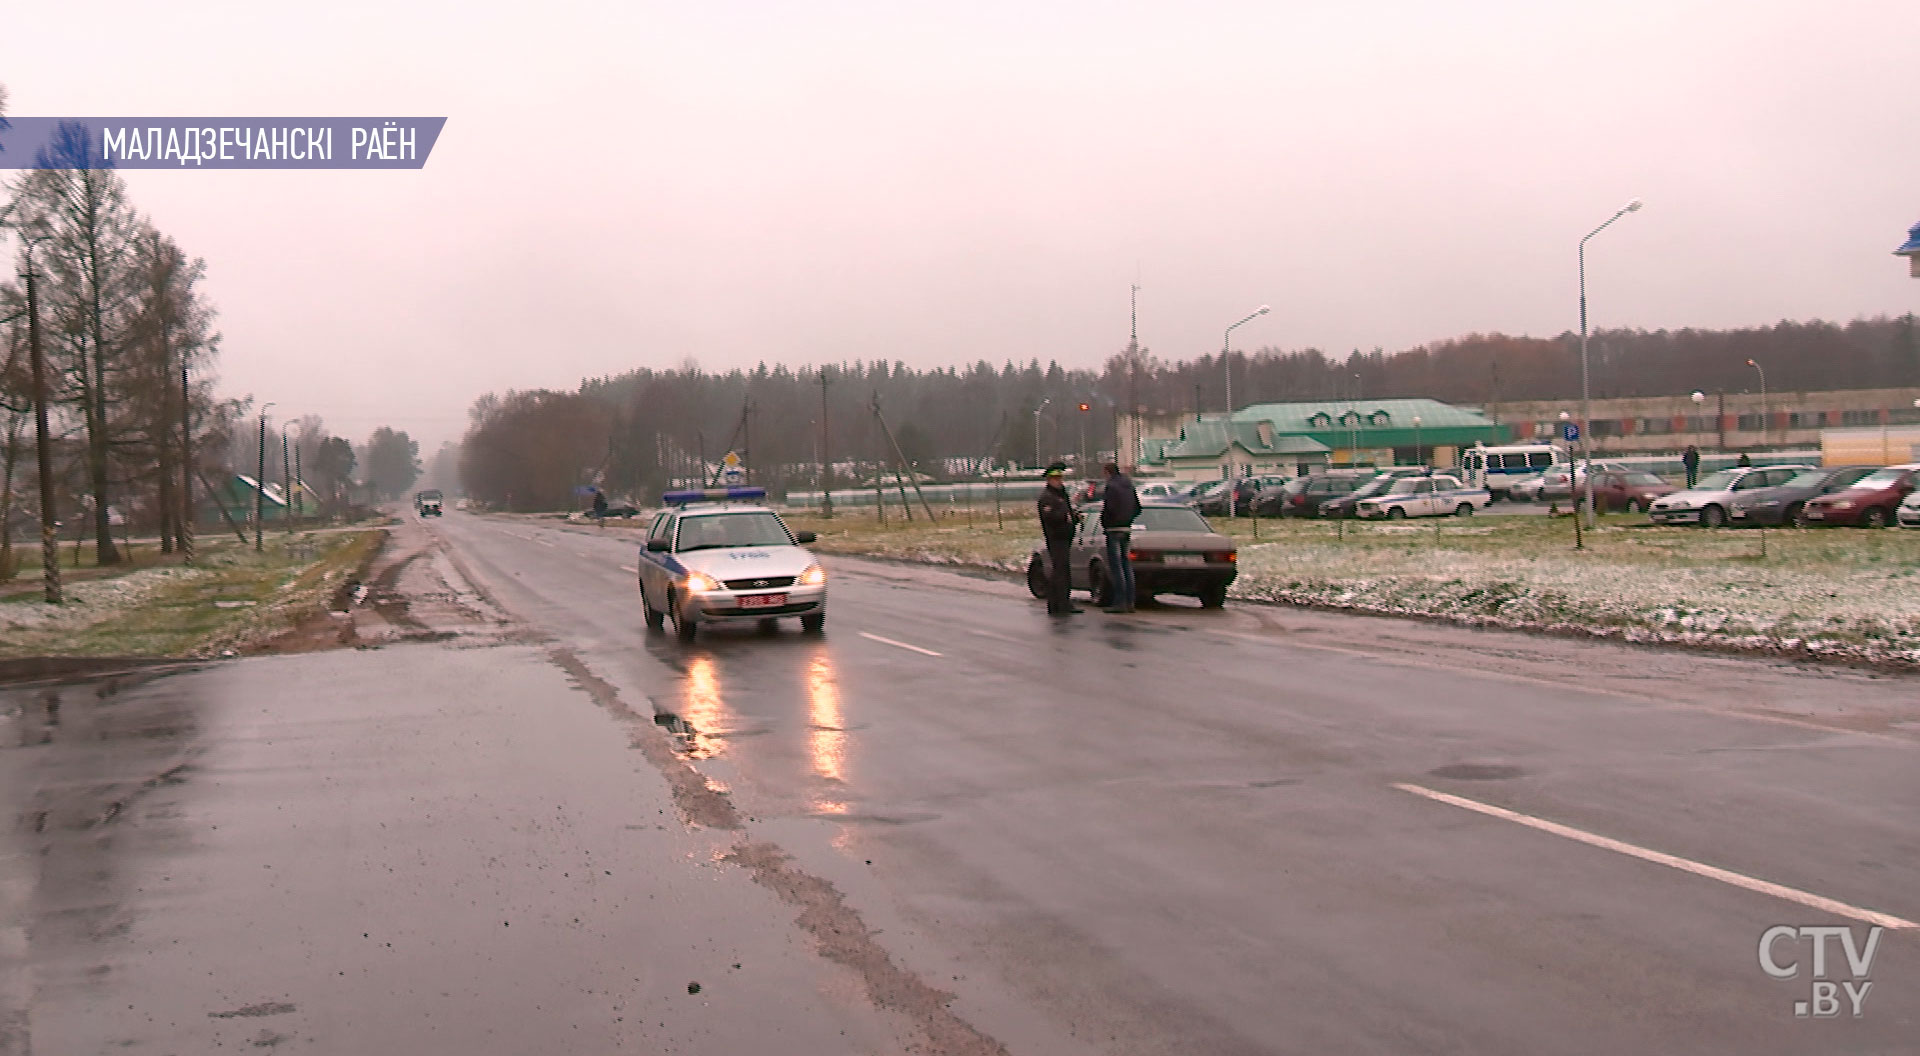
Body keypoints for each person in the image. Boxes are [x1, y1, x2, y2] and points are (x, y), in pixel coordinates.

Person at [1036, 462, 1081, 616]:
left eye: (1060, 477)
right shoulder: (1047, 497)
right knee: (1060, 572)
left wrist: (1074, 517)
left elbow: (1067, 512)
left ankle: (1063, 601)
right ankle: (1058, 603)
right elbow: (1050, 517)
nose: (1059, 481)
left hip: (1065, 537)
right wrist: (1066, 517)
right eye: (1056, 478)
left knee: (1063, 571)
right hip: (1056, 538)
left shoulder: (1061, 495)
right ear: (1049, 479)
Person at [1099, 461, 1141, 613]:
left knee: (1116, 567)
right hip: (1126, 528)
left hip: (1113, 529)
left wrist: (1105, 522)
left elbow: (1108, 508)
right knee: (1126, 564)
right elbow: (1138, 507)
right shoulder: (1129, 486)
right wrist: (1128, 520)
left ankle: (1120, 602)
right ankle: (1130, 601)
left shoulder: (1111, 487)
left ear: (1107, 472)